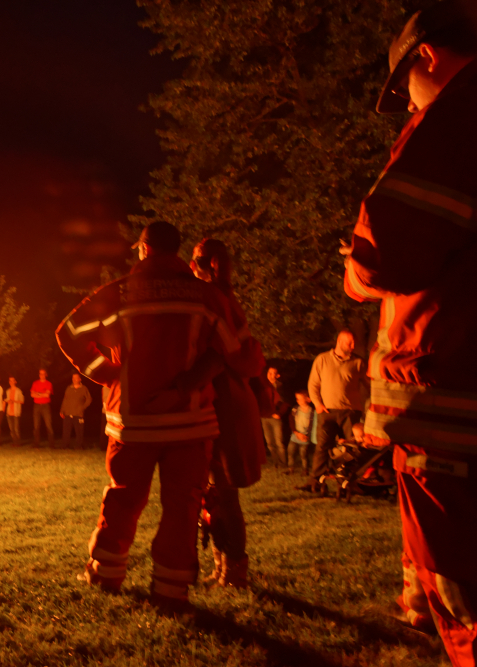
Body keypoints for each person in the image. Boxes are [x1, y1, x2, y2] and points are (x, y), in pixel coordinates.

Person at [345, 3, 477, 661]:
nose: (407, 108)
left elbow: (388, 247)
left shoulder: (456, 116)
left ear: (425, 57)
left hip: (448, 396)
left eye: (404, 93)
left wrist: (355, 268)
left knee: (464, 580)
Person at [55, 221, 241, 608]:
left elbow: (67, 332)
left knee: (122, 499)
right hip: (191, 424)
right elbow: (225, 350)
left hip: (133, 424)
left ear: (143, 249)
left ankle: (105, 573)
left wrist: (106, 373)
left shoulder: (120, 292)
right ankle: (171, 590)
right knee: (183, 507)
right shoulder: (205, 296)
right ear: (177, 251)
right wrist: (182, 388)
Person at [190, 238, 266, 589]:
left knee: (224, 490)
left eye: (194, 260)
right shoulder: (220, 296)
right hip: (220, 402)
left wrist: (187, 383)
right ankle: (222, 562)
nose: (189, 267)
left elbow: (226, 353)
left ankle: (235, 567)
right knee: (214, 492)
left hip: (225, 405)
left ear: (205, 264)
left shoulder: (212, 299)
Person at [301, 330, 368, 492]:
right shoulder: (322, 359)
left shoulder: (358, 362)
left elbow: (368, 384)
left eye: (354, 343)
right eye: (349, 343)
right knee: (322, 447)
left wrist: (369, 404)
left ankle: (347, 482)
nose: (353, 346)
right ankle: (315, 481)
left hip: (350, 411)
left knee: (351, 449)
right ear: (339, 341)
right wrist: (317, 404)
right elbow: (313, 384)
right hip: (327, 410)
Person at [258, 366, 288, 467]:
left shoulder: (280, 387)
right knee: (270, 442)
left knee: (279, 442)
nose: (271, 375)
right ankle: (276, 462)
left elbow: (285, 403)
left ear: (277, 375)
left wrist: (279, 413)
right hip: (265, 417)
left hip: (275, 417)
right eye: (269, 373)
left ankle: (283, 463)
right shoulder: (262, 386)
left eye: (273, 373)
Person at [287, 390, 316, 476]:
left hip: (305, 436)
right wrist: (295, 432)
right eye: (297, 399)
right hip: (295, 435)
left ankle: (305, 470)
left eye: (300, 399)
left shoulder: (312, 412)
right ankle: (290, 468)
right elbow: (291, 420)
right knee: (290, 452)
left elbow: (312, 425)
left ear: (308, 399)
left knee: (303, 454)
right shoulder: (295, 409)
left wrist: (307, 435)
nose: (298, 401)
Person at [60, 373, 92, 449]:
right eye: (73, 378)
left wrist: (82, 407)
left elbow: (89, 399)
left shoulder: (84, 388)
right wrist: (62, 410)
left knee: (79, 431)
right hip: (68, 412)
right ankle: (65, 445)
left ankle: (79, 445)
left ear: (80, 379)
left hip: (78, 414)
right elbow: (65, 399)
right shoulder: (69, 388)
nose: (74, 379)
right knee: (66, 430)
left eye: (76, 378)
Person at [31, 369, 54, 447]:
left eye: (43, 374)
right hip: (36, 405)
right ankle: (36, 443)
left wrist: (37, 393)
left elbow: (47, 395)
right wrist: (42, 393)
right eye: (40, 374)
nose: (42, 375)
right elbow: (32, 395)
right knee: (36, 425)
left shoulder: (49, 384)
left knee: (48, 425)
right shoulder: (35, 383)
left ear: (46, 374)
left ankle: (51, 444)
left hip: (45, 405)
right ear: (39, 374)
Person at [5, 376, 24, 445]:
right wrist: (8, 401)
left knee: (16, 429)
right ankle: (14, 441)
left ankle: (18, 442)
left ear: (15, 382)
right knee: (11, 429)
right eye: (10, 381)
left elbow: (22, 401)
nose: (11, 382)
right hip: (9, 412)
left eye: (12, 381)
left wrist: (14, 401)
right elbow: (6, 399)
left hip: (16, 412)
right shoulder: (7, 391)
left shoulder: (18, 391)